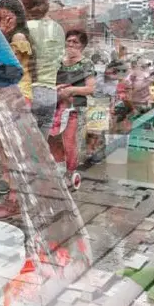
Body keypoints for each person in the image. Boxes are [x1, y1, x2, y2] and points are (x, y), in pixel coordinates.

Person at [0, 0, 36, 219]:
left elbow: (6, 66)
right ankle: (16, 199)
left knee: (11, 152)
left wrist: (0, 35)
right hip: (13, 96)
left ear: (17, 17)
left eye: (7, 17)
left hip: (17, 97)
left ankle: (14, 201)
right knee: (10, 151)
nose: (1, 22)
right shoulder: (15, 36)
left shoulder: (17, 37)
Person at [49, 30, 96, 188]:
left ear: (82, 46)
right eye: (69, 41)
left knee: (69, 141)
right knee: (54, 139)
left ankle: (70, 172)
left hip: (74, 109)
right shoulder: (59, 63)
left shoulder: (86, 64)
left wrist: (71, 90)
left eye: (75, 42)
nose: (71, 44)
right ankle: (58, 170)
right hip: (57, 107)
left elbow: (90, 89)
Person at [22, 0, 65, 138]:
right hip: (50, 93)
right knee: (41, 150)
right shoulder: (59, 29)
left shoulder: (26, 28)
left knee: (25, 148)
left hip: (30, 91)